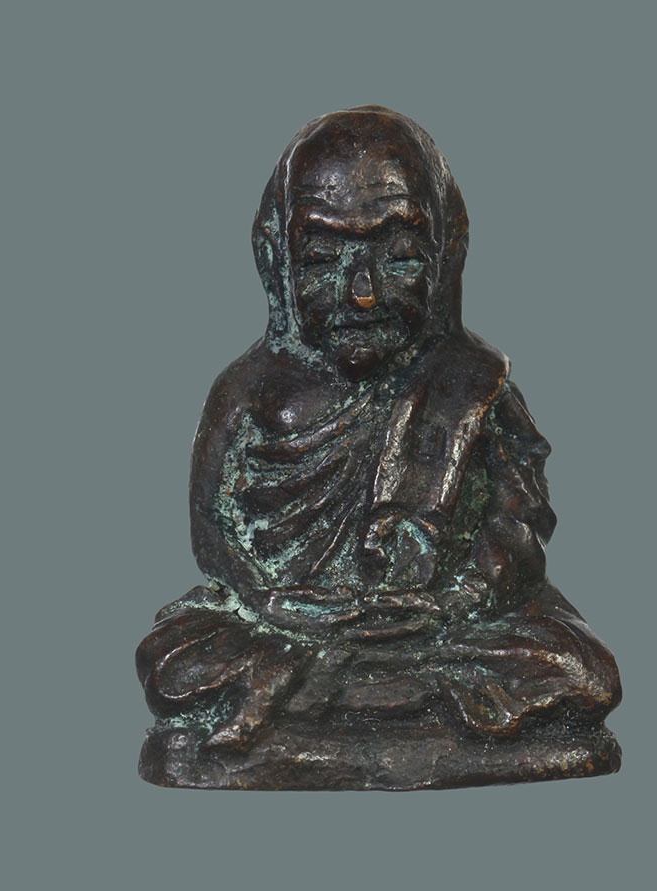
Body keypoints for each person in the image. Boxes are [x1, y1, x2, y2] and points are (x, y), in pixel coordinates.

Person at [136, 107, 621, 786]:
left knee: (577, 669)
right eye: (324, 259)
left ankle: (320, 702)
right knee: (175, 656)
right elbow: (215, 542)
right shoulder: (246, 394)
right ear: (276, 258)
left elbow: (515, 528)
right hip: (289, 624)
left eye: (398, 257)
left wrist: (453, 603)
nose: (362, 294)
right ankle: (369, 698)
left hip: (440, 627)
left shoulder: (468, 385)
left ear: (447, 254)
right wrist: (278, 605)